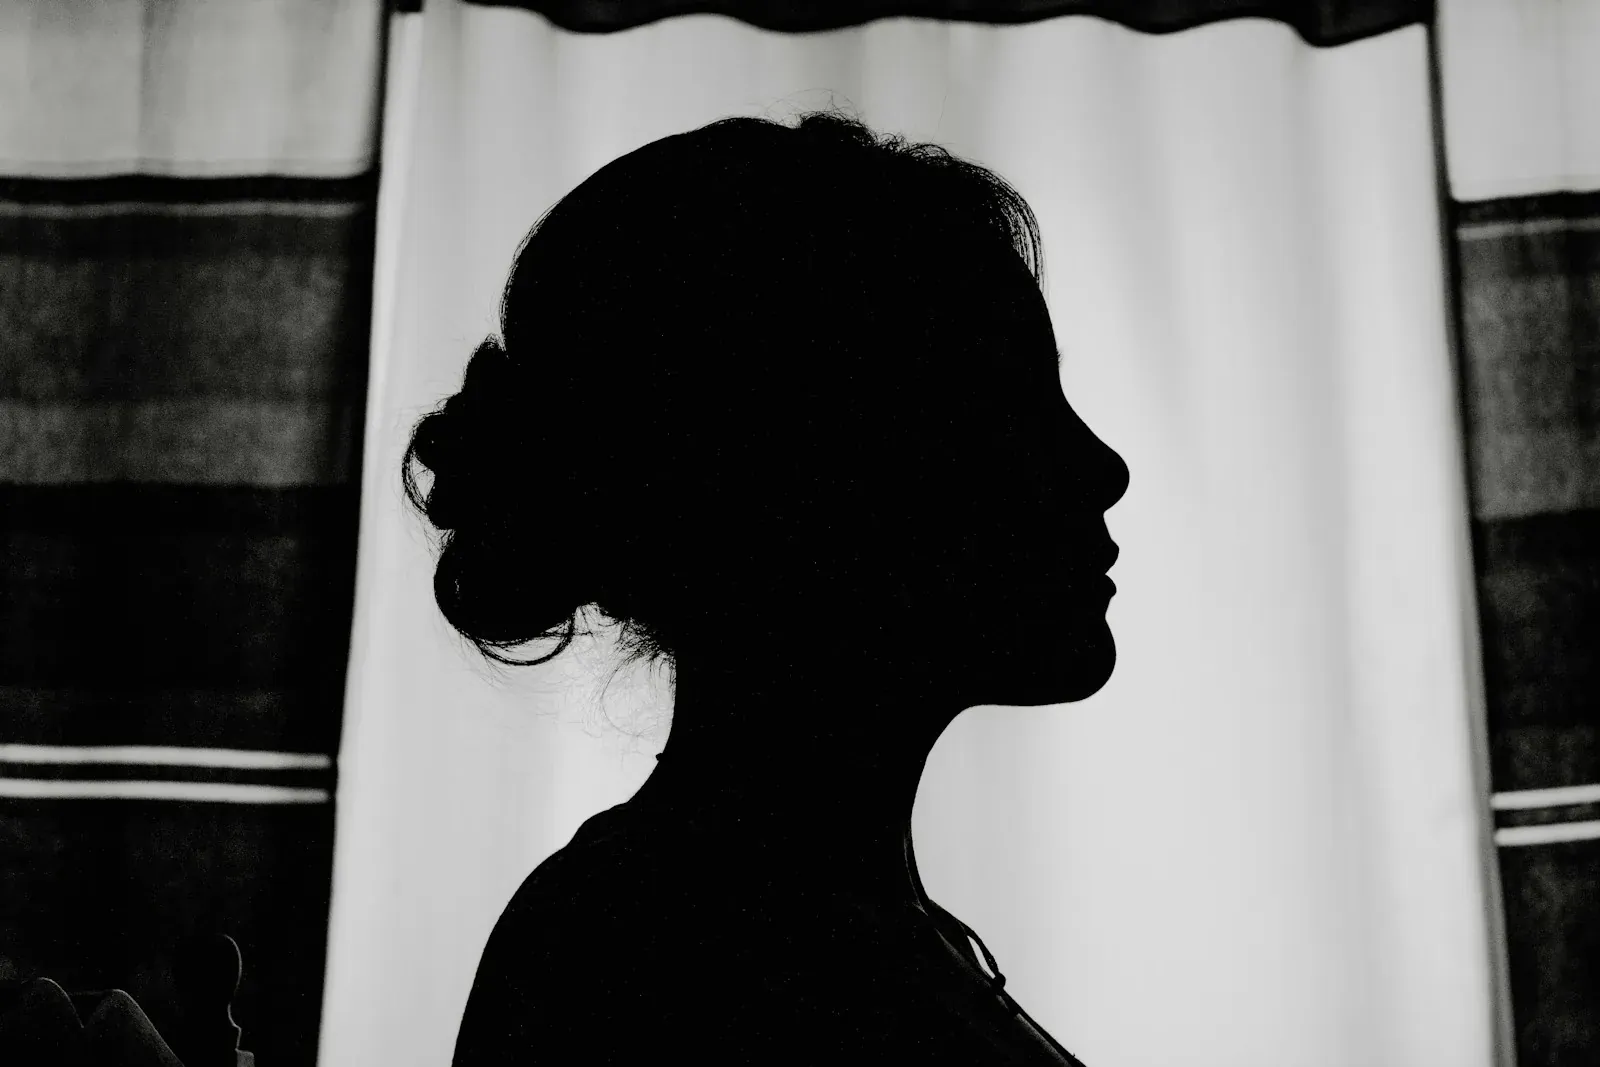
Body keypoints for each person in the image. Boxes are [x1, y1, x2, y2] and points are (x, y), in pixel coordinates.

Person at [406, 107, 1128, 1065]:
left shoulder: (762, 925)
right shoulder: (674, 963)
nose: (1099, 466)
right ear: (807, 479)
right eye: (1007, 408)